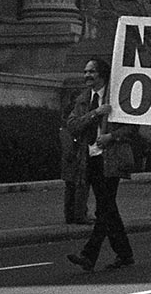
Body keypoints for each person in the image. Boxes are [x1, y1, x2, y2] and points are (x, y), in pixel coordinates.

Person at [66, 57, 137, 271]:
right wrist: (96, 113)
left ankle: (89, 255)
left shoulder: (118, 96)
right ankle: (125, 254)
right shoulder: (84, 99)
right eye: (86, 71)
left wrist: (111, 137)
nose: (87, 75)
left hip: (111, 160)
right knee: (109, 209)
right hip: (91, 159)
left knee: (104, 209)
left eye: (92, 72)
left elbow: (132, 128)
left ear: (102, 74)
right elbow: (72, 125)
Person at [60, 90, 90, 224]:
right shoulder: (78, 109)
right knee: (80, 183)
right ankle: (79, 214)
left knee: (71, 184)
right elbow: (76, 126)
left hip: (69, 150)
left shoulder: (69, 111)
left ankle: (70, 215)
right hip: (77, 150)